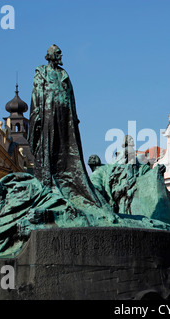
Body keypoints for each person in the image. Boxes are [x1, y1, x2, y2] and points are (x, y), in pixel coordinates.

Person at [28, 44, 103, 207]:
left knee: (67, 149)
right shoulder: (42, 72)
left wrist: (74, 117)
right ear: (50, 55)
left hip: (65, 116)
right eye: (58, 53)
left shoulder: (64, 74)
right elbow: (36, 96)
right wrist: (38, 115)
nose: (61, 56)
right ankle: (50, 183)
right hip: (48, 114)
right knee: (49, 147)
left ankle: (67, 181)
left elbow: (71, 96)